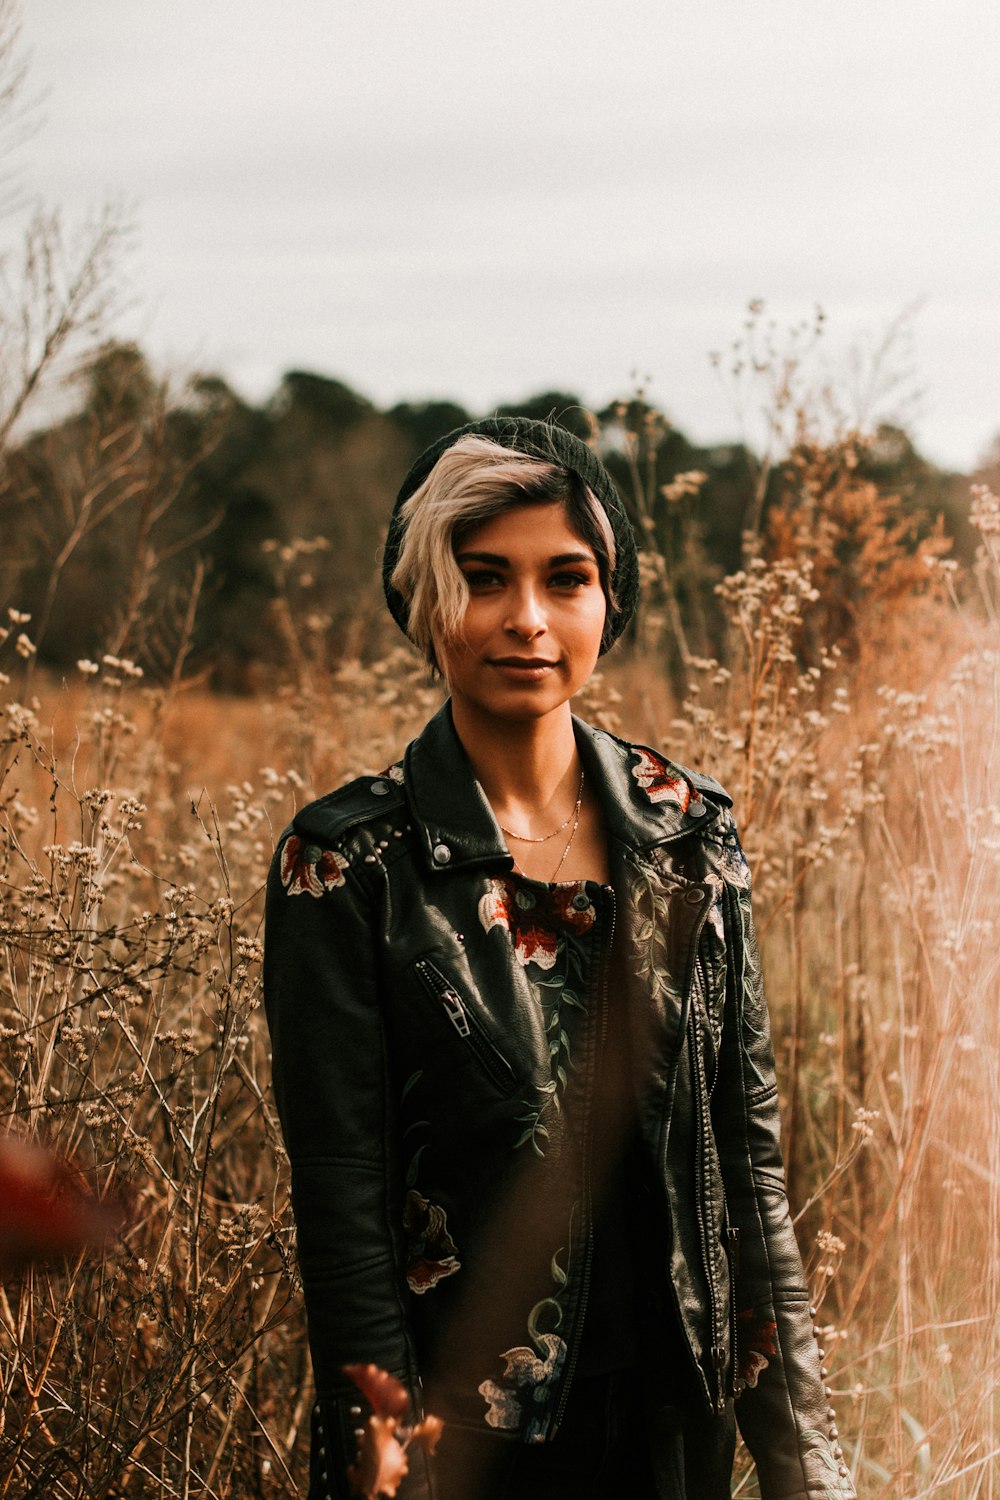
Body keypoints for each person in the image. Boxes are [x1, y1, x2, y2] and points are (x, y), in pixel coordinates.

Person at [263, 418, 856, 1500]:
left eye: (564, 578)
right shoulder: (350, 863)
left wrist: (802, 1464)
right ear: (423, 599)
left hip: (681, 1420)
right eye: (483, 578)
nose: (526, 619)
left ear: (607, 601)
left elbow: (747, 1165)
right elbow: (343, 1209)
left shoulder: (690, 833)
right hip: (471, 1442)